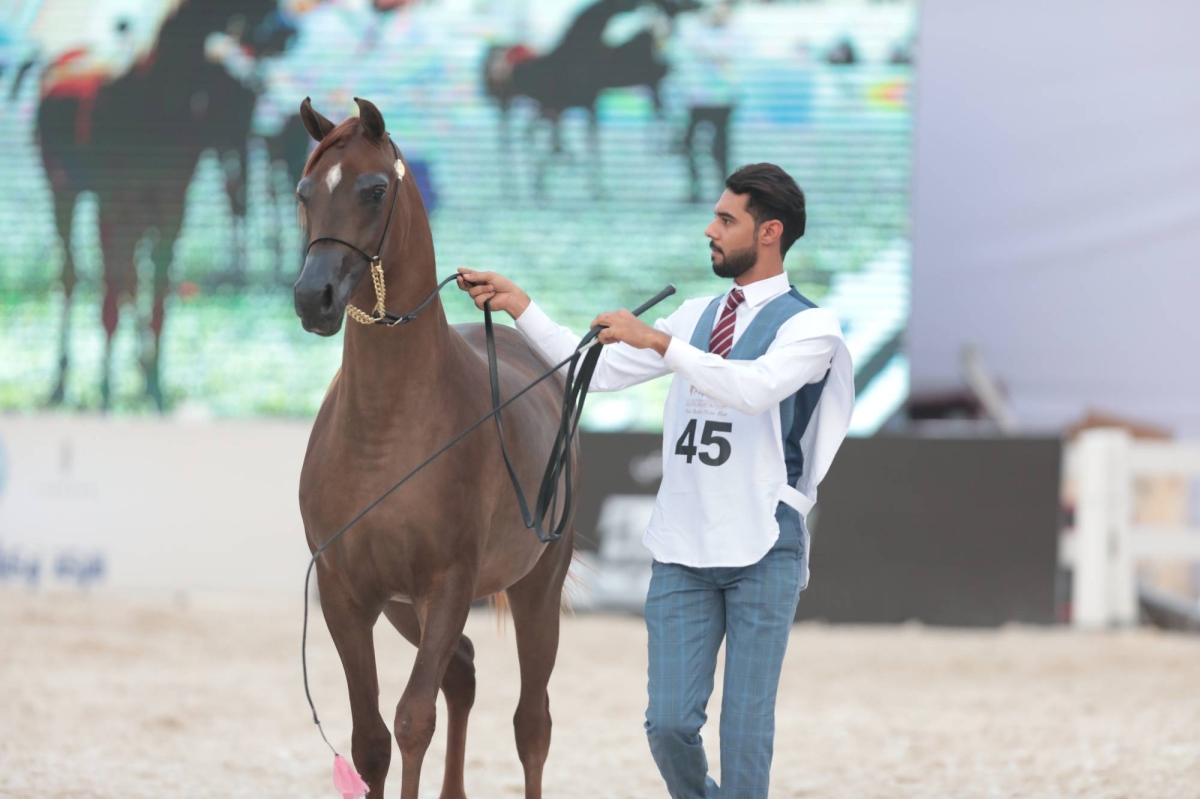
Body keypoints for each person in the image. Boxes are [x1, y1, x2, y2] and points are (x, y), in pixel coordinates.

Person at [457, 163, 853, 798]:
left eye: (726, 219)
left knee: (745, 729)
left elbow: (754, 389)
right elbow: (591, 370)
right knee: (668, 726)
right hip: (682, 541)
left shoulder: (812, 327)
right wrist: (520, 306)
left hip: (763, 541)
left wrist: (660, 345)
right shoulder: (696, 315)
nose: (710, 230)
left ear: (770, 232)